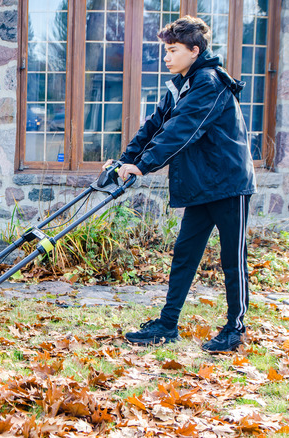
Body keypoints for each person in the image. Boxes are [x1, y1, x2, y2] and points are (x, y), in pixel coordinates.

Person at [104, 16, 256, 353]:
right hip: (200, 183)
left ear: (194, 50)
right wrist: (125, 160)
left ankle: (235, 329)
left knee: (233, 259)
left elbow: (182, 129)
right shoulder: (180, 84)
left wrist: (143, 165)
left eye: (172, 50)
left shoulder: (209, 83)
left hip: (229, 183)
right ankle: (167, 324)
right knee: (185, 256)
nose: (166, 56)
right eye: (166, 50)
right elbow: (155, 125)